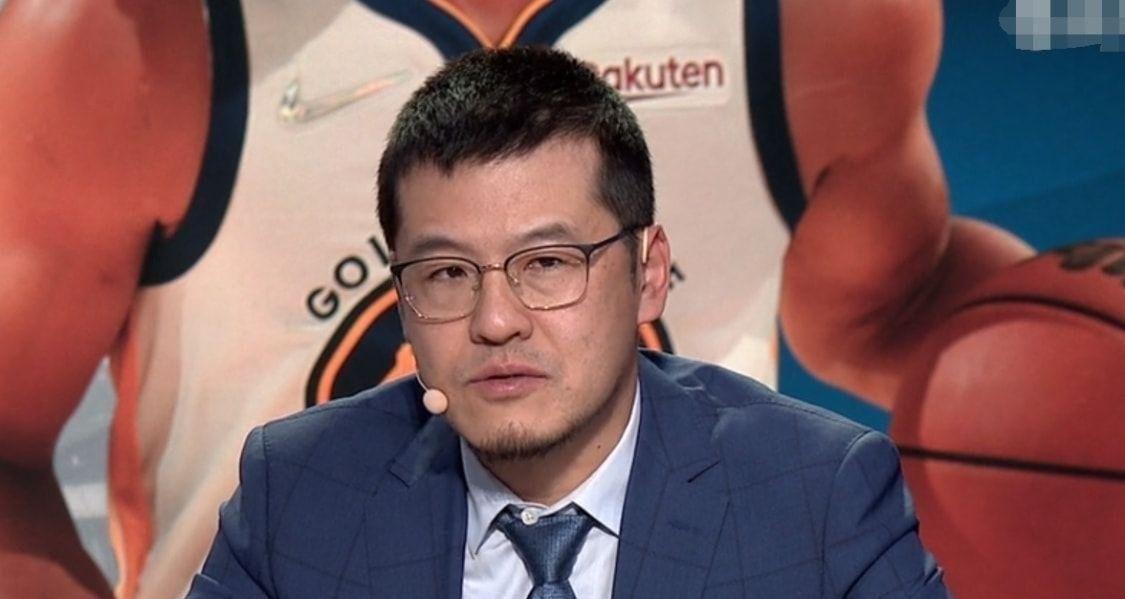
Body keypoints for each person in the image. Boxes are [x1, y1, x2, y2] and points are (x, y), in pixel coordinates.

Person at [2, 0, 980, 597]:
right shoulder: (121, 38)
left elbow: (898, 311)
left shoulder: (820, 21)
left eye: (551, 265)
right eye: (446, 276)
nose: (499, 318)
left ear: (648, 268)